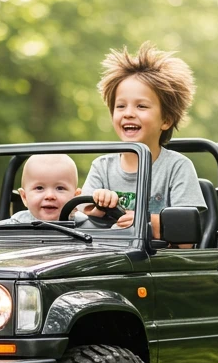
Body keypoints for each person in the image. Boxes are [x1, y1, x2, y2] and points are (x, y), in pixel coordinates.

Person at [81, 41, 205, 239]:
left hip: (160, 264)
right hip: (109, 258)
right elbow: (83, 220)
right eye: (120, 106)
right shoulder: (102, 166)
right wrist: (97, 206)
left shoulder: (177, 167)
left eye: (141, 106)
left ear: (166, 120)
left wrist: (145, 222)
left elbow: (186, 238)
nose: (128, 113)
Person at [0, 153, 82, 225]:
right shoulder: (13, 226)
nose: (50, 196)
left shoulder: (85, 225)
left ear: (76, 197)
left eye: (60, 188)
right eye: (39, 188)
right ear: (24, 197)